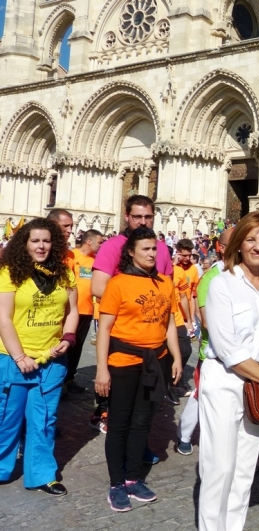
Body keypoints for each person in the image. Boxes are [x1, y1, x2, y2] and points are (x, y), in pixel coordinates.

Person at [198, 213, 259, 531]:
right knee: (219, 467)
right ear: (238, 245)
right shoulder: (222, 285)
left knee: (244, 470)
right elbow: (229, 350)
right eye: (250, 239)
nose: (257, 246)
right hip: (226, 382)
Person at [94, 228, 183, 512]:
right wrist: (101, 370)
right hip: (122, 362)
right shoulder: (118, 284)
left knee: (143, 422)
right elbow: (104, 329)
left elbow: (168, 323)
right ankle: (116, 484)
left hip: (155, 362)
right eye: (145, 249)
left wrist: (177, 358)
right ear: (131, 252)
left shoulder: (165, 283)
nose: (151, 254)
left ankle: (133, 478)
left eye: (154, 249)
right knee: (119, 424)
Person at [0, 218, 78, 496]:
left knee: (44, 419)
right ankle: (1, 468)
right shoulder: (10, 273)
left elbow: (73, 311)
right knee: (7, 417)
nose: (41, 246)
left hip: (51, 359)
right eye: (35, 240)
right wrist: (20, 357)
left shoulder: (64, 273)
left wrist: (68, 338)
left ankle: (42, 474)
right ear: (25, 244)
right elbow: (3, 318)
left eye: (46, 241)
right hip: (13, 359)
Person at [90, 195, 173, 456]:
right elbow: (97, 286)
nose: (142, 221)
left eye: (147, 217)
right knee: (122, 403)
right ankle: (117, 444)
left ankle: (139, 447)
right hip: (121, 331)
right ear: (126, 216)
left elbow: (165, 292)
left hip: (153, 336)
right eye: (137, 216)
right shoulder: (113, 246)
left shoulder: (159, 248)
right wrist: (131, 298)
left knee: (147, 404)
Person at [175, 227, 233, 456]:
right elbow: (206, 320)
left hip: (239, 352)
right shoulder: (211, 278)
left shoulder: (245, 275)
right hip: (212, 352)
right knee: (202, 394)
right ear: (221, 248)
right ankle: (185, 434)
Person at [64, 229, 104, 394]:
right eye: (100, 242)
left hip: (87, 309)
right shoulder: (72, 256)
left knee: (78, 345)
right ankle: (62, 380)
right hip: (72, 310)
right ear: (90, 241)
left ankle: (70, 378)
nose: (101, 245)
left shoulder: (95, 260)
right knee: (67, 345)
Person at [168, 239, 198, 401]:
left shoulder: (192, 270)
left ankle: (174, 382)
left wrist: (190, 318)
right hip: (167, 318)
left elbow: (189, 296)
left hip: (180, 318)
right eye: (183, 255)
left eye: (189, 255)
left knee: (185, 350)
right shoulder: (170, 269)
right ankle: (170, 385)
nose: (186, 258)